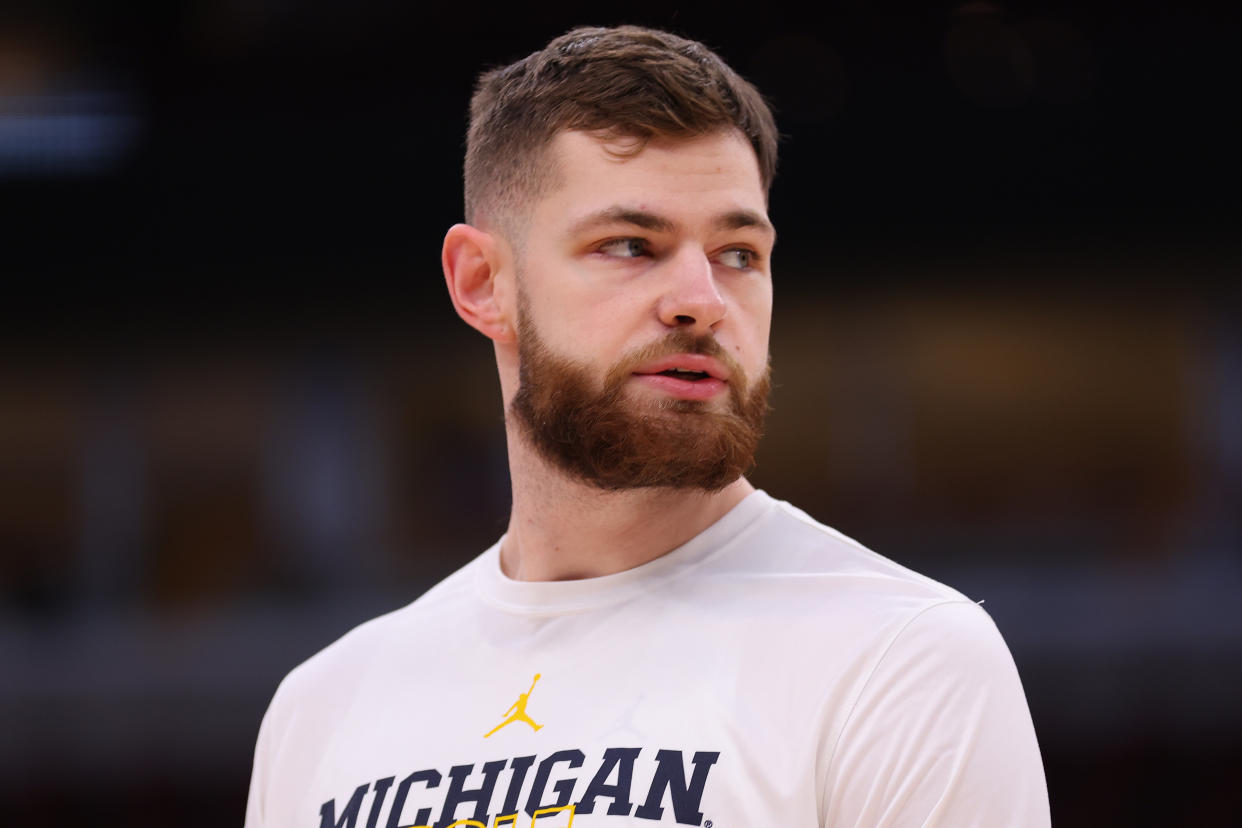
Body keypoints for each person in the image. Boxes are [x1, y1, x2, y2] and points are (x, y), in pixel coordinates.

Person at [244, 25, 1050, 828]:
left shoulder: (901, 661)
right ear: (483, 283)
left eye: (739, 253)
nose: (701, 299)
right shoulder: (321, 713)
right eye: (631, 245)